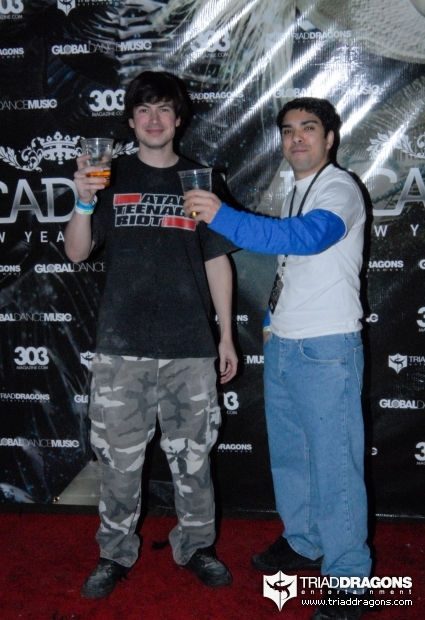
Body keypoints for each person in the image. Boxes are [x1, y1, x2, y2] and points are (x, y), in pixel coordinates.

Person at [183, 98, 372, 620]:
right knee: (291, 459)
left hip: (327, 349)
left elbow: (306, 238)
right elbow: (293, 266)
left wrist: (222, 216)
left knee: (335, 469)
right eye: (288, 130)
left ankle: (351, 580)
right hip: (287, 344)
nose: (297, 139)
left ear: (330, 138)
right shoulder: (296, 190)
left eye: (308, 129)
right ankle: (305, 540)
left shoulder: (339, 188)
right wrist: (272, 323)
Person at [64, 71, 238, 599]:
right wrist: (83, 201)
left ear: (178, 119)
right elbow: (76, 252)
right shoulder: (108, 176)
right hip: (122, 348)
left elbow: (217, 262)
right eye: (144, 110)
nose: (154, 119)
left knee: (194, 462)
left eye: (164, 109)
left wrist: (225, 336)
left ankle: (197, 546)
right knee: (118, 465)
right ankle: (114, 553)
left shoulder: (201, 179)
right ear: (131, 120)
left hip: (190, 348)